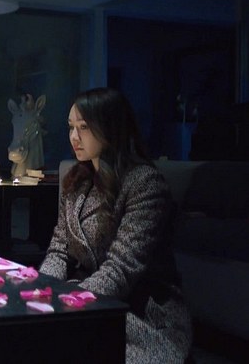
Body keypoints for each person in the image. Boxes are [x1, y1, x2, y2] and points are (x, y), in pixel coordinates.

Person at [39, 87, 192, 363]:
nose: (74, 137)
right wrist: (42, 289)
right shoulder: (76, 181)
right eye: (71, 127)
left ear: (109, 127)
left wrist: (69, 299)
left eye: (84, 127)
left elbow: (122, 268)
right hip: (90, 295)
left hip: (143, 311)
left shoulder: (144, 183)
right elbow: (59, 250)